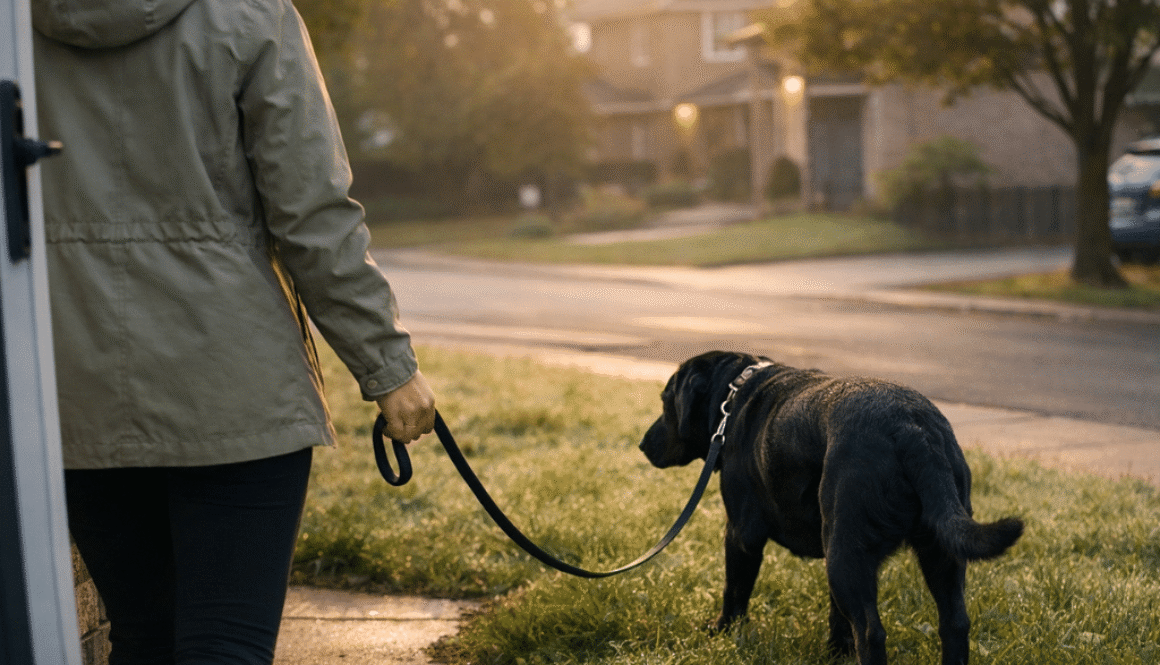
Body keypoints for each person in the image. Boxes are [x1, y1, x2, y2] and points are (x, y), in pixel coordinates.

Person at [31, 0, 436, 662]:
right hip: (235, 396)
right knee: (224, 646)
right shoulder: (251, 14)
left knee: (145, 638)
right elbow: (311, 215)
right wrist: (388, 366)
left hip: (78, 390)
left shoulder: (19, 25)